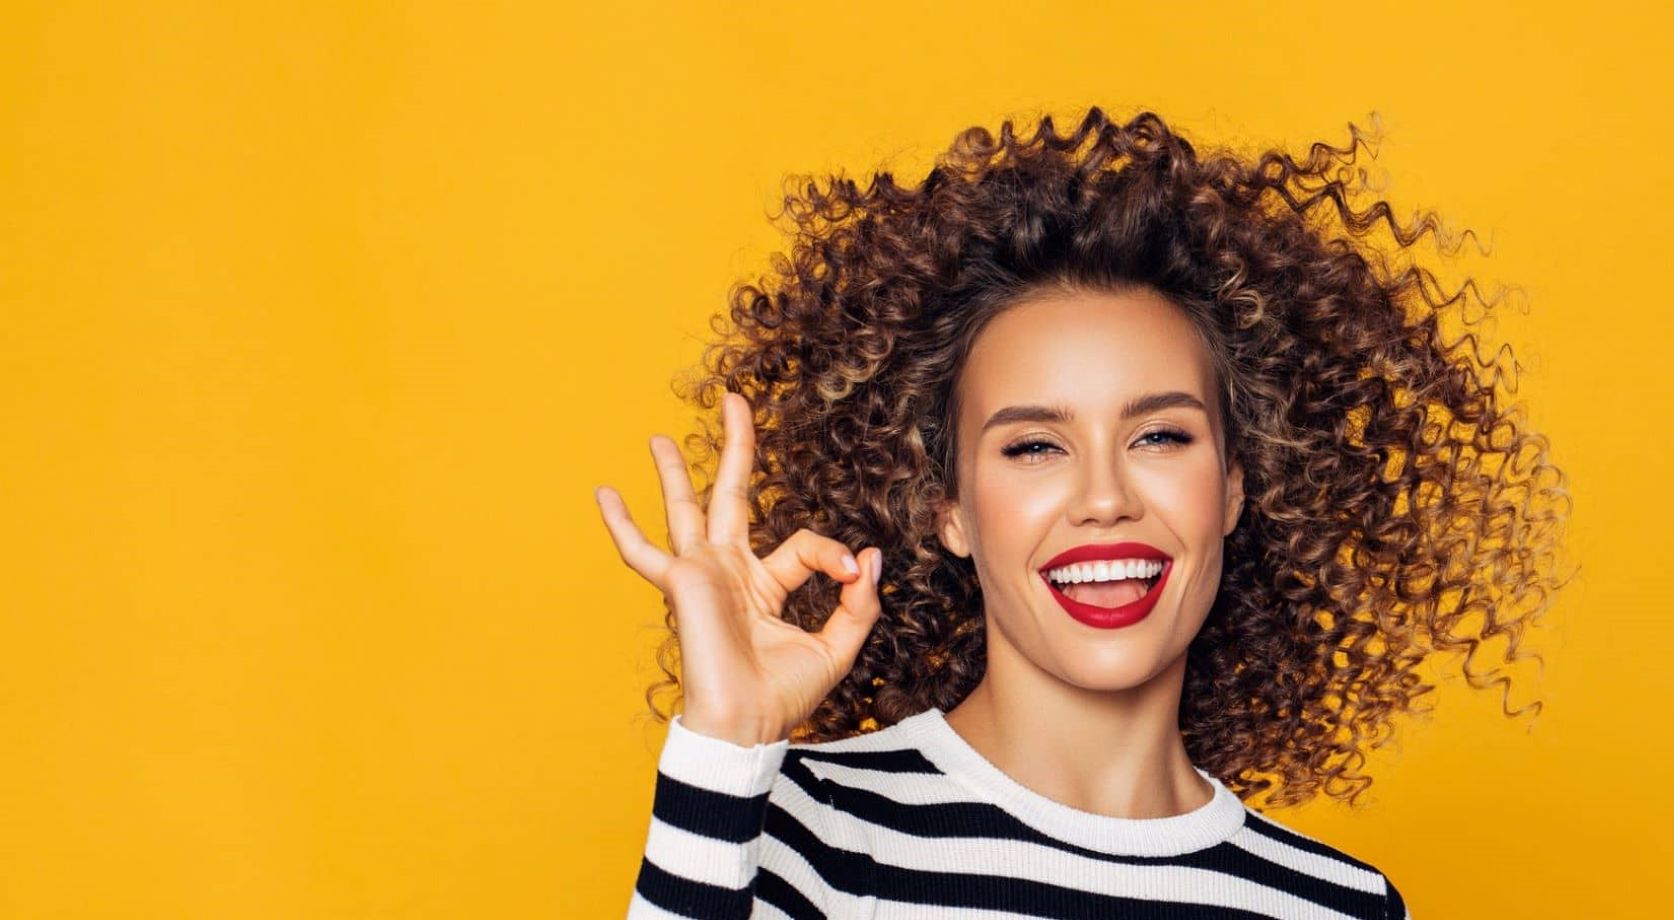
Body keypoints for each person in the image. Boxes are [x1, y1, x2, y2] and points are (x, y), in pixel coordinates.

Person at [594, 107, 1570, 919]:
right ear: (949, 511)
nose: (1104, 497)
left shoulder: (1331, 904)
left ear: (1234, 483)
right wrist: (720, 742)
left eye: (1159, 437)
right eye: (1032, 445)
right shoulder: (795, 833)